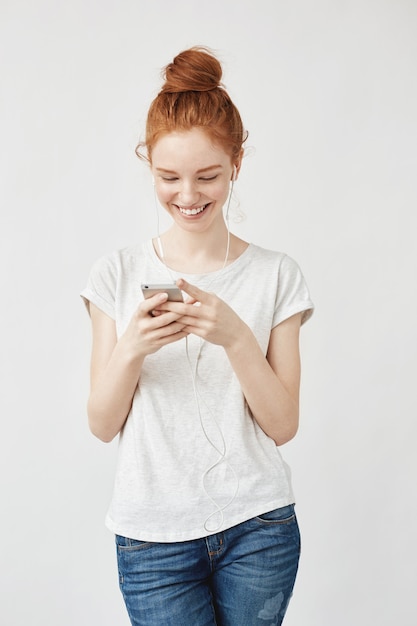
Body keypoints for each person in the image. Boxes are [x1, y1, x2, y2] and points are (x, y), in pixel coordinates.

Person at [81, 46, 314, 626]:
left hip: (259, 526)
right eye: (168, 177)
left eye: (208, 175)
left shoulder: (276, 274)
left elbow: (283, 426)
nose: (188, 195)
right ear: (149, 168)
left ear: (236, 164)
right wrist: (133, 346)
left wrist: (237, 338)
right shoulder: (115, 273)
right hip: (152, 537)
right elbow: (102, 423)